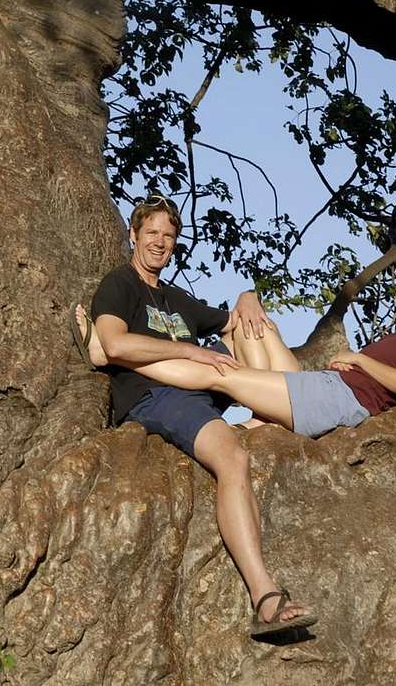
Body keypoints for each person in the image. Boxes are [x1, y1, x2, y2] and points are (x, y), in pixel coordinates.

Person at [77, 194, 316, 637]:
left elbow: (230, 323)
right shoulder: (120, 284)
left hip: (200, 389)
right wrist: (187, 348)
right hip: (160, 394)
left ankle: (281, 408)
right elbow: (115, 343)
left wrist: (247, 297)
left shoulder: (176, 298)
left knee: (254, 329)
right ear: (133, 235)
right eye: (151, 233)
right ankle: (264, 598)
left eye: (169, 236)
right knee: (232, 458)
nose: (160, 243)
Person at [79, 258, 396, 440]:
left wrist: (360, 358)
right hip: (324, 389)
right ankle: (248, 424)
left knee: (222, 372)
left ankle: (113, 354)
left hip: (336, 399)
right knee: (257, 327)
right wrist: (249, 296)